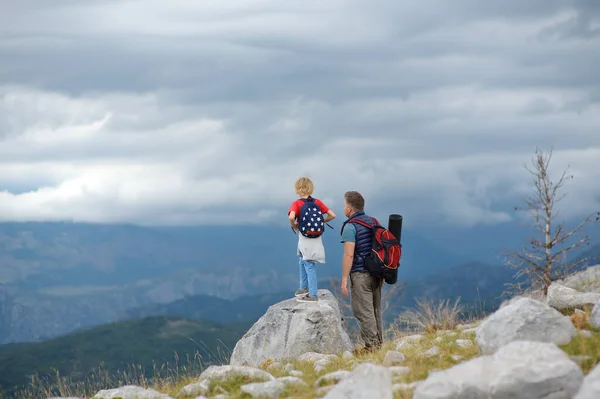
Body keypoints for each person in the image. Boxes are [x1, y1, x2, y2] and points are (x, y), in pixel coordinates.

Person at [340, 190, 383, 351]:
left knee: (363, 312)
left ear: (350, 209)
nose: (343, 208)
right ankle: (379, 344)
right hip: (377, 274)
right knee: (375, 310)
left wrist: (344, 279)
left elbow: (349, 255)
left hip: (360, 274)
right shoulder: (373, 221)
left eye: (344, 205)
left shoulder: (350, 227)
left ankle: (372, 347)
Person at [288, 177, 336, 303]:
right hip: (316, 235)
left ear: (297, 189)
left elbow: (292, 217)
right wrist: (322, 222)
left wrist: (294, 226)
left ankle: (313, 294)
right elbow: (333, 215)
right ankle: (303, 287)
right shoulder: (317, 202)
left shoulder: (297, 203)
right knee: (302, 260)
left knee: (308, 263)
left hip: (304, 236)